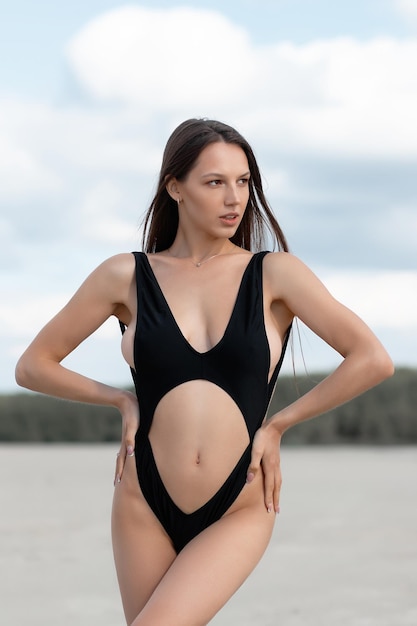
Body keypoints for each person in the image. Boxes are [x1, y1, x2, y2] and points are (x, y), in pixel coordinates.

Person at [15, 118, 394, 625]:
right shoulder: (126, 276)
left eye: (243, 182)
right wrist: (119, 399)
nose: (234, 198)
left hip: (240, 498)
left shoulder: (276, 273)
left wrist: (279, 425)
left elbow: (372, 358)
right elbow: (33, 365)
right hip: (142, 497)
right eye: (215, 182)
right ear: (175, 187)